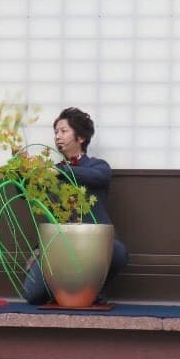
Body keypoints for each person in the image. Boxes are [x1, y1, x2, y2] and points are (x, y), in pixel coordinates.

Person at [21, 107, 129, 305]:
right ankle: (64, 289)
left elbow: (99, 177)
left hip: (94, 243)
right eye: (56, 132)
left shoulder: (97, 166)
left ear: (81, 137)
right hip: (59, 245)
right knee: (32, 295)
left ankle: (92, 288)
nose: (57, 136)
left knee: (118, 252)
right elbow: (25, 194)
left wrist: (61, 171)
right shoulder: (50, 171)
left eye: (64, 131)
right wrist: (21, 169)